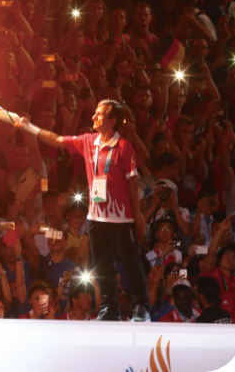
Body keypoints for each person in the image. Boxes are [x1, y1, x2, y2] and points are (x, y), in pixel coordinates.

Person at [15, 100, 150, 321]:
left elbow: (133, 183)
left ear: (112, 120)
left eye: (98, 114)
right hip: (96, 217)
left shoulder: (124, 147)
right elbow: (57, 139)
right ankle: (110, 308)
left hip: (121, 218)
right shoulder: (88, 141)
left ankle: (141, 307)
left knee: (131, 263)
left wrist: (138, 216)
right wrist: (31, 128)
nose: (93, 117)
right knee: (102, 265)